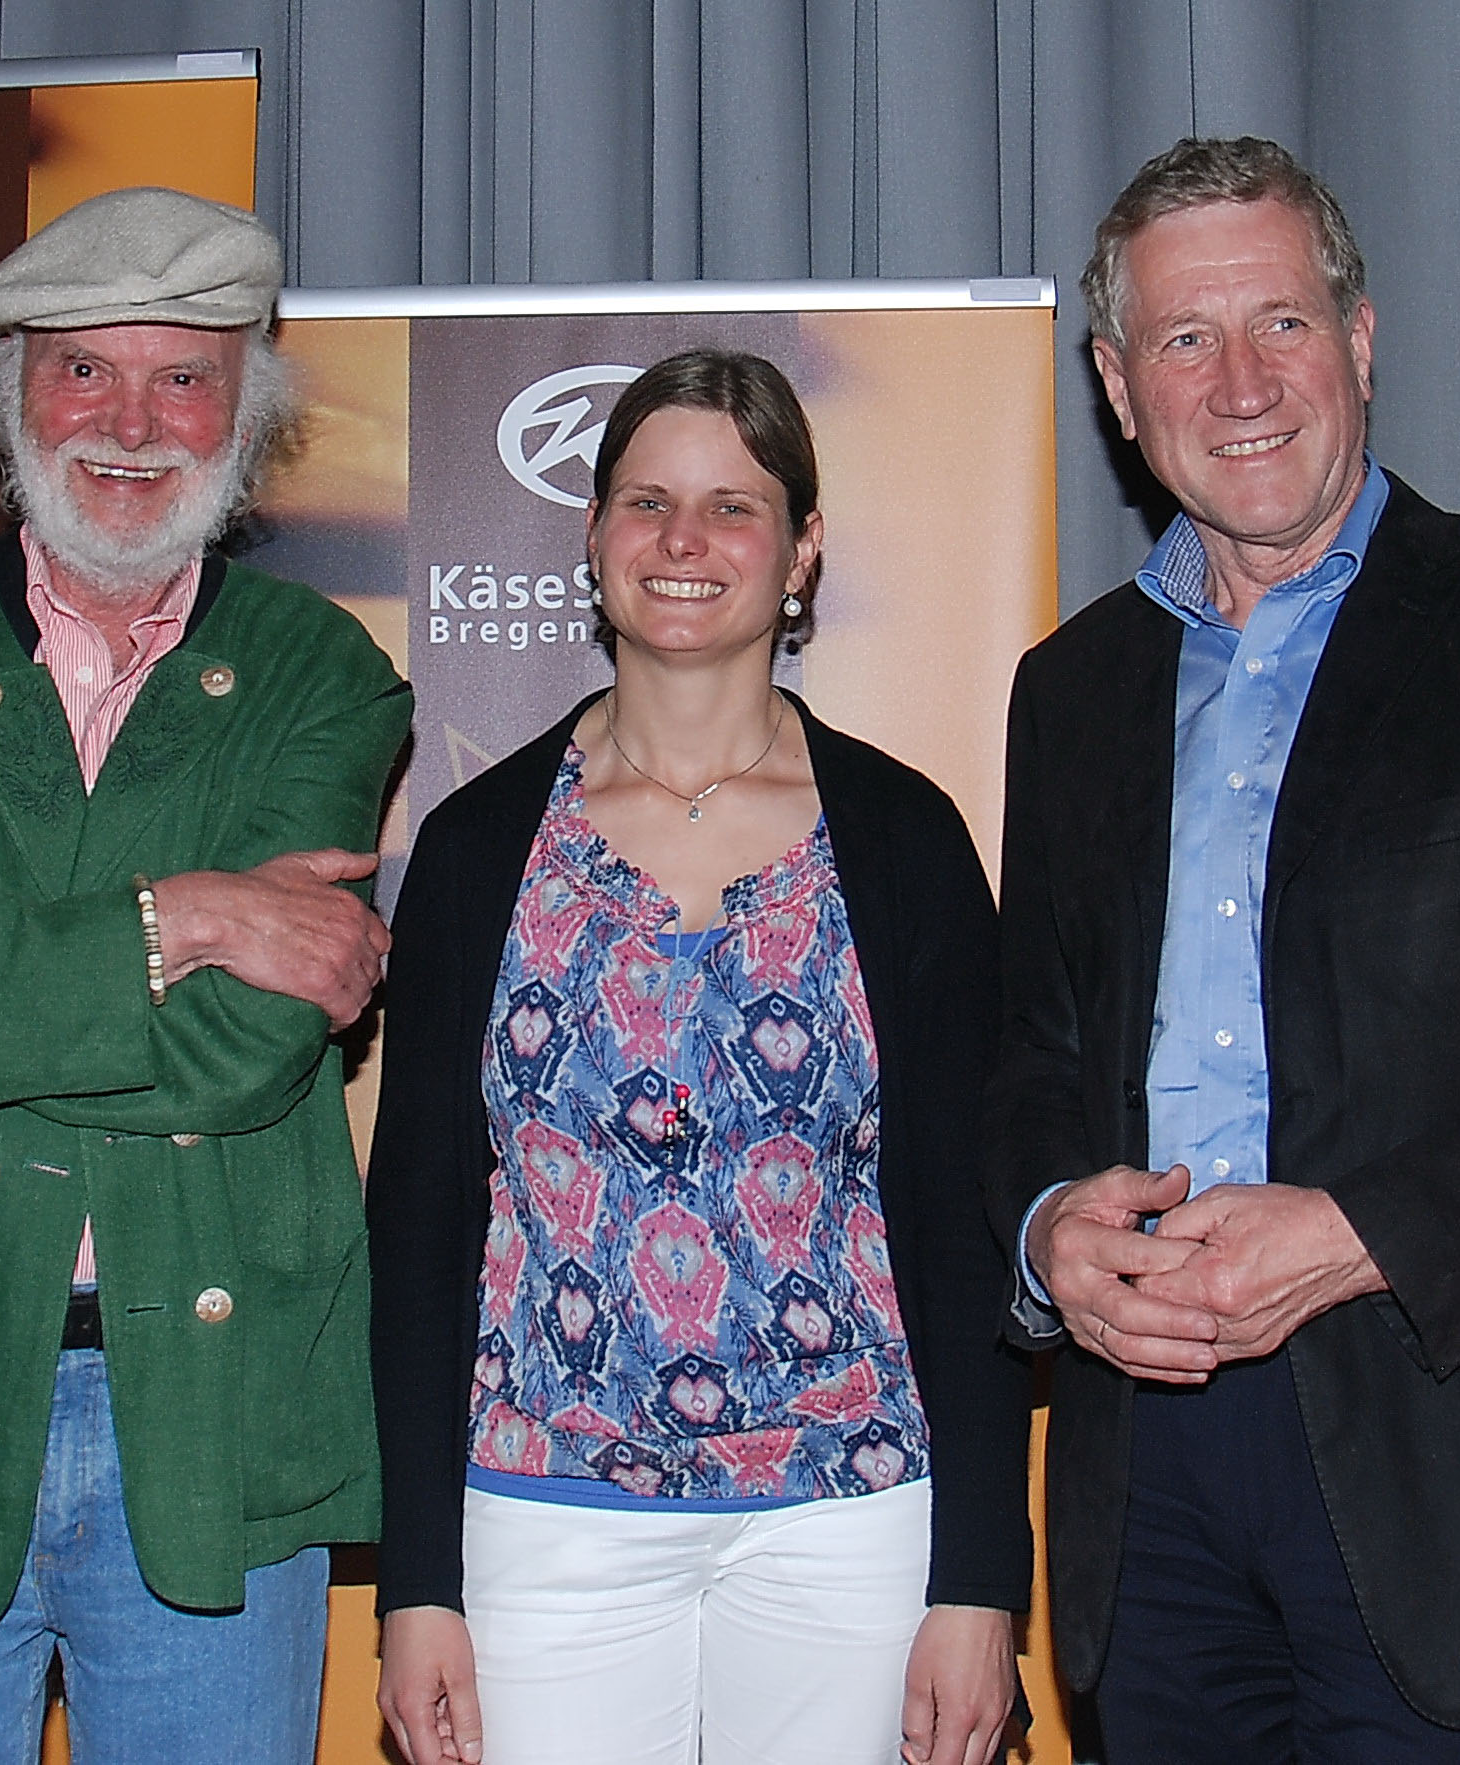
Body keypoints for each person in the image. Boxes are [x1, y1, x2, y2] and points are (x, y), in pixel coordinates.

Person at [991, 135, 1460, 1761]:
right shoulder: (1070, 690)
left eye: (1283, 323)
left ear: (1361, 343)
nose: (1241, 383)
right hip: (1150, 1495)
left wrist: (1360, 1232)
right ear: (1118, 387)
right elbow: (1036, 1050)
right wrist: (1047, 1232)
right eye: (1185, 338)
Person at [0, 185, 411, 1762]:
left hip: (217, 1409)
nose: (131, 422)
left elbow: (246, 1046)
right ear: (10, 396)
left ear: (247, 410)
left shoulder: (320, 672)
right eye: (83, 371)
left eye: (184, 377)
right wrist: (180, 914)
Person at [369, 348, 1030, 1765]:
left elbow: (965, 1225)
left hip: (849, 1512)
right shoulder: (479, 850)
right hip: (547, 1515)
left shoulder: (905, 840)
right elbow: (419, 1231)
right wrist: (416, 1582)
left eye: (735, 506)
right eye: (648, 502)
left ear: (803, 550)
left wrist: (980, 1576)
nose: (685, 541)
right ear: (593, 534)